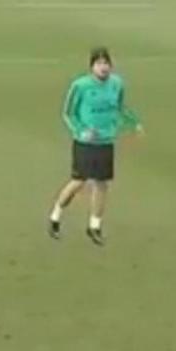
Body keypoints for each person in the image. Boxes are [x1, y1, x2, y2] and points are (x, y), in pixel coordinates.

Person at [48, 47, 142, 246]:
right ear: (92, 67)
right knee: (78, 182)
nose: (103, 68)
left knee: (101, 184)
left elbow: (120, 107)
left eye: (106, 63)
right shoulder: (80, 86)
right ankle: (55, 216)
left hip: (106, 141)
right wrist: (80, 130)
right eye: (99, 64)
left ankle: (94, 226)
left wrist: (134, 123)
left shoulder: (117, 84)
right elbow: (68, 113)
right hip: (85, 143)